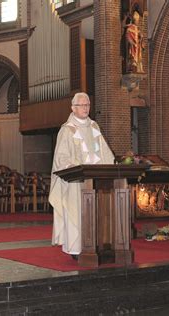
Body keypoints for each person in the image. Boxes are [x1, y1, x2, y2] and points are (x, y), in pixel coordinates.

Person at [49, 92, 115, 258]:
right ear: (73, 108)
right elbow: (61, 157)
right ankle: (76, 249)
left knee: (97, 213)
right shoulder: (67, 130)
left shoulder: (94, 127)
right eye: (82, 105)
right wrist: (71, 165)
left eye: (87, 105)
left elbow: (105, 152)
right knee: (76, 214)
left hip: (96, 180)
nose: (85, 108)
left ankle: (98, 245)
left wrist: (112, 166)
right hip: (76, 182)